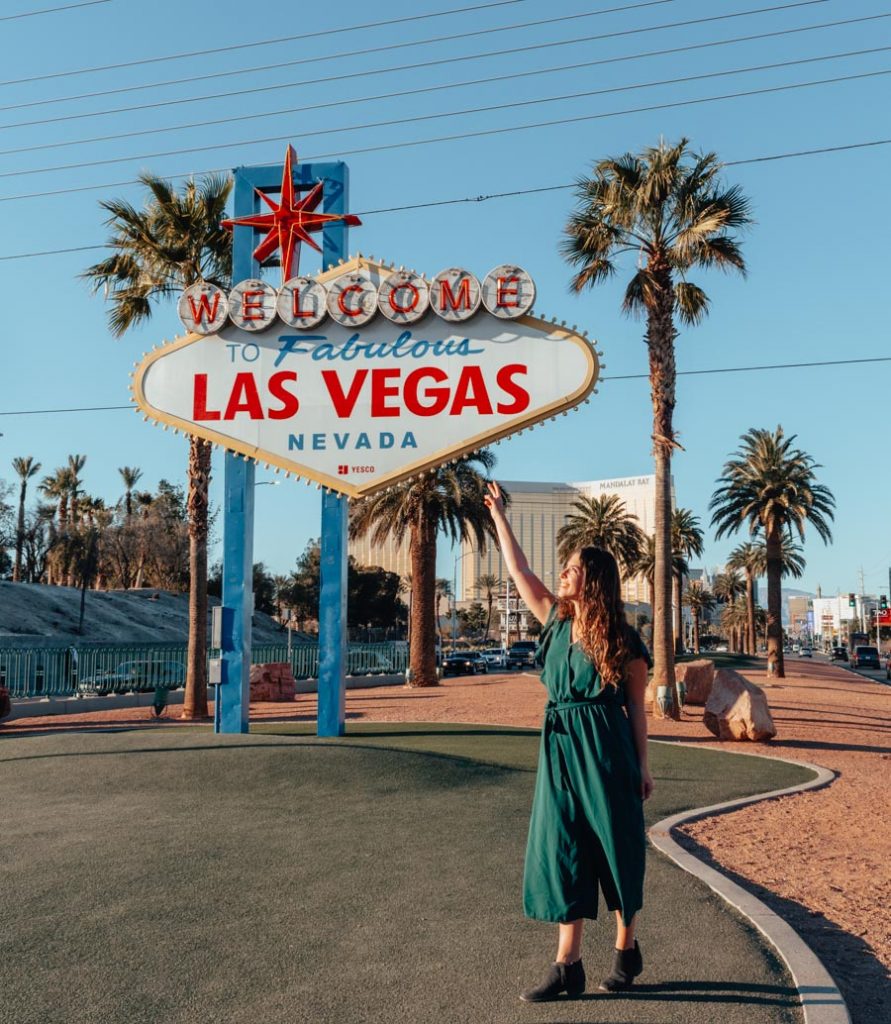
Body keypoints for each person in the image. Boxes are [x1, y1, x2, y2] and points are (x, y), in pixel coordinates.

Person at [484, 481, 654, 1002]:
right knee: (564, 850)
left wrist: (643, 768)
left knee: (616, 848)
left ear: (593, 579)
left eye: (573, 567)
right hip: (559, 748)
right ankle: (568, 966)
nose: (563, 573)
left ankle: (626, 951)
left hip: (606, 751)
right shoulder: (555, 623)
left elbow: (637, 712)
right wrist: (500, 517)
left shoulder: (624, 641)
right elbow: (520, 572)